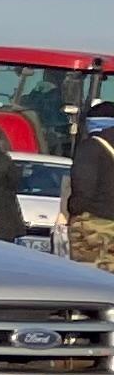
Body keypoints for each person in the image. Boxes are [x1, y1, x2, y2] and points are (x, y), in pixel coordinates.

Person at [70, 117, 114, 273]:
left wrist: (73, 210)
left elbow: (83, 189)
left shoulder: (92, 148)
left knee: (89, 278)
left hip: (96, 225)